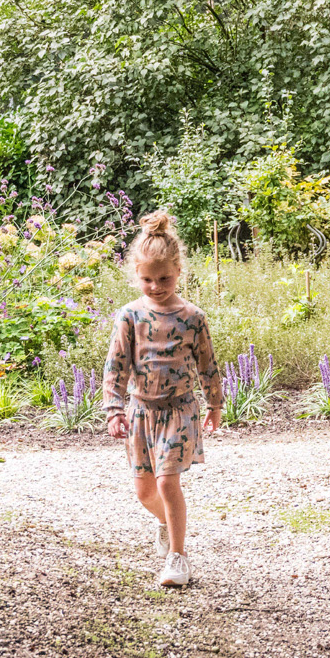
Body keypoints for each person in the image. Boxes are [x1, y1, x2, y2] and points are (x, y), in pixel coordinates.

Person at [103, 211, 223, 588]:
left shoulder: (192, 318)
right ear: (137, 276)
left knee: (169, 482)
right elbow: (116, 365)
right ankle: (164, 524)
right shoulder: (130, 316)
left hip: (179, 411)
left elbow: (207, 363)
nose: (156, 286)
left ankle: (178, 558)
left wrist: (215, 404)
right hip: (140, 412)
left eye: (164, 278)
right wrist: (114, 409)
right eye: (147, 279)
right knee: (145, 491)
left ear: (179, 271)